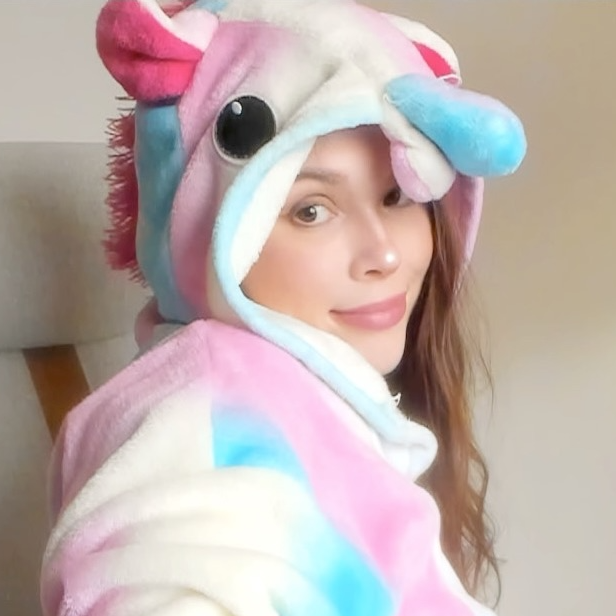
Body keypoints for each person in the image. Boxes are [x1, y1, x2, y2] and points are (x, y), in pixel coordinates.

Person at [40, 1, 526, 615]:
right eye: (311, 210)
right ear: (212, 229)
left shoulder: (324, 408)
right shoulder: (201, 423)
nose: (383, 254)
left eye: (397, 196)